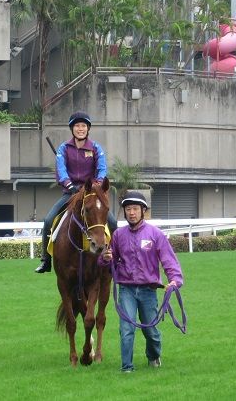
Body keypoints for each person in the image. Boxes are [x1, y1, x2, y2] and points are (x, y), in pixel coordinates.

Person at [99, 191, 184, 372]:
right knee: (126, 329)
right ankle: (127, 368)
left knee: (151, 332)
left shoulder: (155, 234)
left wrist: (175, 280)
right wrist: (106, 258)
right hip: (126, 290)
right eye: (128, 209)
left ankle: (153, 356)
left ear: (143, 210)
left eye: (135, 209)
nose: (131, 212)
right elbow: (109, 263)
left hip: (148, 290)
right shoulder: (118, 235)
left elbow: (168, 261)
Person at [35, 111, 117, 273]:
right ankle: (46, 259)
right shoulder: (63, 148)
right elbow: (61, 170)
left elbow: (102, 169)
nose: (81, 129)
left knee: (113, 223)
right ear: (72, 128)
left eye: (84, 126)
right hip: (70, 193)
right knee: (48, 220)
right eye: (77, 126)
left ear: (88, 129)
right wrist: (70, 185)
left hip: (91, 193)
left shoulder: (96, 148)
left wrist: (98, 185)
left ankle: (116, 258)